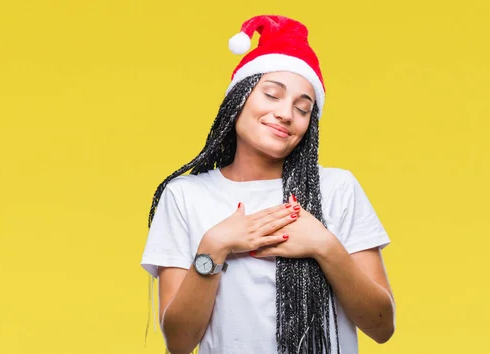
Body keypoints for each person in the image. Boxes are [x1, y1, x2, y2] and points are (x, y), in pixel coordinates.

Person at [140, 14, 395, 354]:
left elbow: (381, 326)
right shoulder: (186, 196)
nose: (286, 114)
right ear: (238, 99)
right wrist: (214, 247)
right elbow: (180, 343)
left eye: (302, 109)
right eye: (272, 95)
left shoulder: (337, 188)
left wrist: (325, 246)